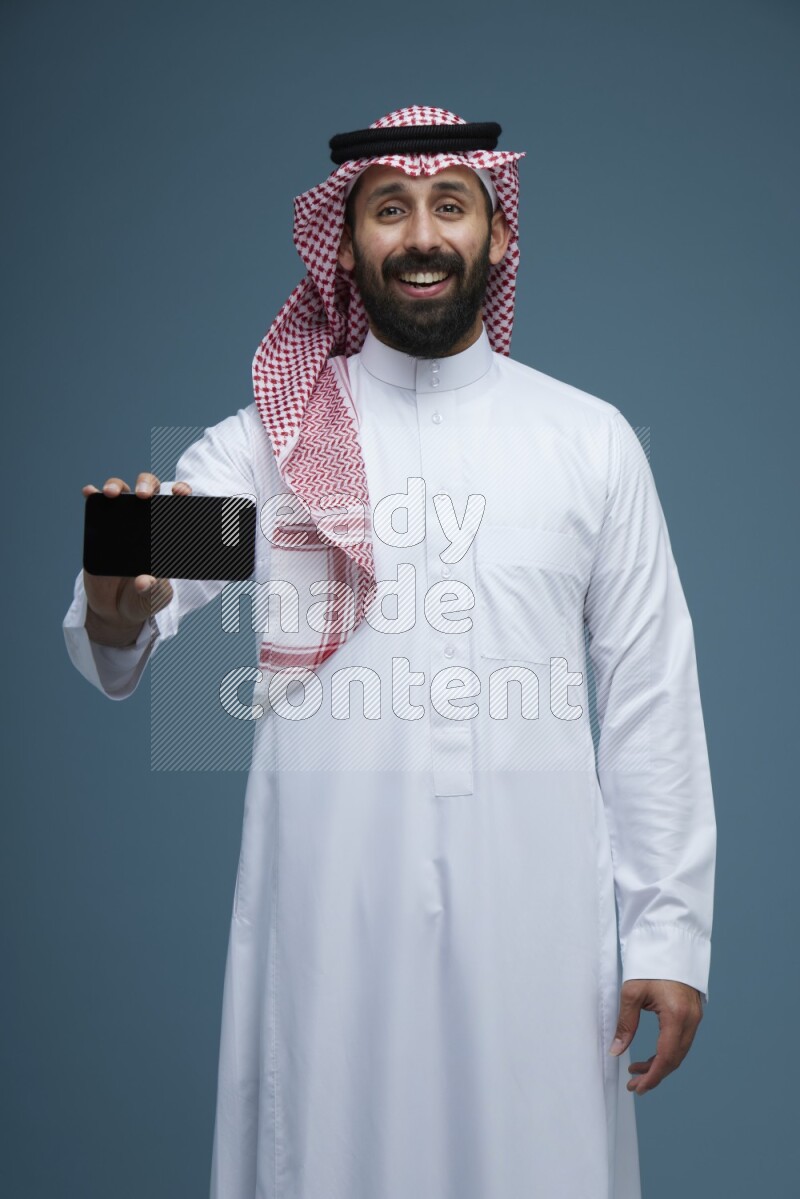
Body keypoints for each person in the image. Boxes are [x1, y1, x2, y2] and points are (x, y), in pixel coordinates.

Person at [64, 106, 716, 1199]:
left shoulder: (585, 443)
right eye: (389, 209)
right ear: (346, 242)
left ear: (496, 240)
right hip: (329, 906)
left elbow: (650, 687)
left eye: (448, 207)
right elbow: (133, 608)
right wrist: (119, 605)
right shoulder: (272, 446)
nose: (421, 234)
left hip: (538, 915)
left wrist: (667, 931)